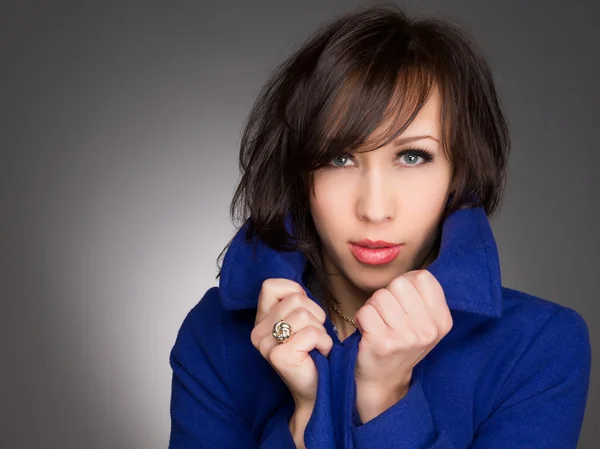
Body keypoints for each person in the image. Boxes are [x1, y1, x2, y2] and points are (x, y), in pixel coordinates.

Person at [168, 5, 591, 448]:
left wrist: (385, 400)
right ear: (301, 174)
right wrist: (304, 420)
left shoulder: (539, 347)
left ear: (458, 175)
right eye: (339, 158)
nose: (374, 208)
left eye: (412, 157)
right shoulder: (215, 336)